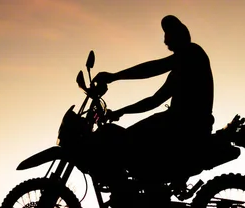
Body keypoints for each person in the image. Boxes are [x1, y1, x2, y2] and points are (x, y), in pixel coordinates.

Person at [91, 15, 215, 180]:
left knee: (128, 140)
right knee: (130, 142)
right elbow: (154, 100)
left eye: (167, 34)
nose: (165, 41)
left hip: (185, 125)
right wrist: (121, 112)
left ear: (177, 34)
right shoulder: (180, 70)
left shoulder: (192, 53)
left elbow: (152, 68)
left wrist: (114, 76)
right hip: (180, 123)